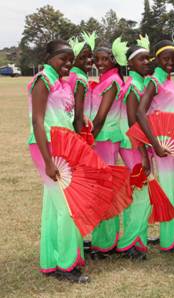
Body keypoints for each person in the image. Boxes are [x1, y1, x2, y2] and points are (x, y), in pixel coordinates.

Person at [28, 39, 89, 283]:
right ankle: (66, 266)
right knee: (67, 207)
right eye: (62, 58)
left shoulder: (61, 83)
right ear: (49, 57)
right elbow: (38, 121)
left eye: (70, 60)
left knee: (54, 208)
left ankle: (51, 262)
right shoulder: (43, 80)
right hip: (49, 149)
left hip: (64, 147)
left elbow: (64, 116)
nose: (67, 64)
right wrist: (48, 161)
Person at [136, 37, 174, 253]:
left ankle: (171, 232)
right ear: (156, 59)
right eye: (164, 58)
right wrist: (155, 144)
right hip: (165, 146)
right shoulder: (154, 81)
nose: (170, 61)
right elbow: (140, 112)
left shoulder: (168, 80)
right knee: (171, 190)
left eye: (173, 58)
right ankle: (168, 242)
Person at [86, 37, 127, 258]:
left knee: (105, 191)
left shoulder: (112, 82)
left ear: (114, 60)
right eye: (97, 59)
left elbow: (100, 117)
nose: (100, 62)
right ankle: (102, 239)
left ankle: (107, 242)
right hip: (99, 139)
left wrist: (86, 142)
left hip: (104, 139)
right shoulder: (104, 79)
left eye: (105, 59)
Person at [116, 36, 154, 260]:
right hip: (132, 145)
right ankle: (130, 243)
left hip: (136, 144)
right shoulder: (132, 85)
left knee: (137, 193)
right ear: (130, 64)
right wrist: (143, 154)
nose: (147, 62)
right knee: (142, 194)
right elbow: (132, 122)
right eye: (141, 59)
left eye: (148, 58)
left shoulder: (139, 82)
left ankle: (136, 241)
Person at [67, 32, 95, 133]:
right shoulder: (81, 79)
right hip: (81, 127)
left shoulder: (72, 74)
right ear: (74, 60)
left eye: (90, 56)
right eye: (83, 57)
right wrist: (81, 137)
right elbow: (78, 115)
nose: (89, 60)